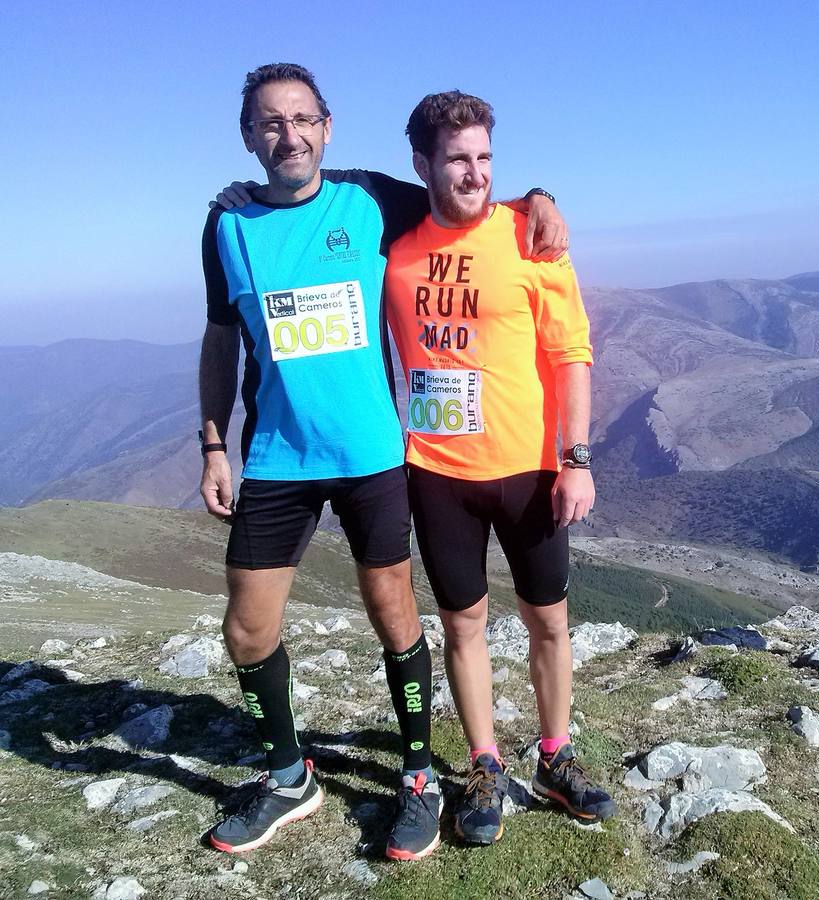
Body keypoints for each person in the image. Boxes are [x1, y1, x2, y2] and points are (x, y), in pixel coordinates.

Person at [200, 63, 566, 859]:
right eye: (269, 122)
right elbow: (221, 338)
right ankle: (289, 775)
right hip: (275, 455)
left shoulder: (370, 198)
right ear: (247, 136)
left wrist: (537, 198)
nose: (287, 134)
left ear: (327, 127)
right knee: (247, 631)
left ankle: (416, 777)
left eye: (302, 118)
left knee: (396, 619)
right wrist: (212, 441)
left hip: (373, 456)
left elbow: (466, 200)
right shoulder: (225, 226)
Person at [384, 90, 614, 846]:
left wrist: (575, 459)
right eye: (456, 158)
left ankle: (556, 753)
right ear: (422, 164)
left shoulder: (531, 237)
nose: (474, 173)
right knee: (463, 624)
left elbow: (570, 354)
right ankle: (484, 763)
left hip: (528, 470)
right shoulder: (392, 243)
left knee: (547, 617)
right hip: (436, 471)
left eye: (485, 158)